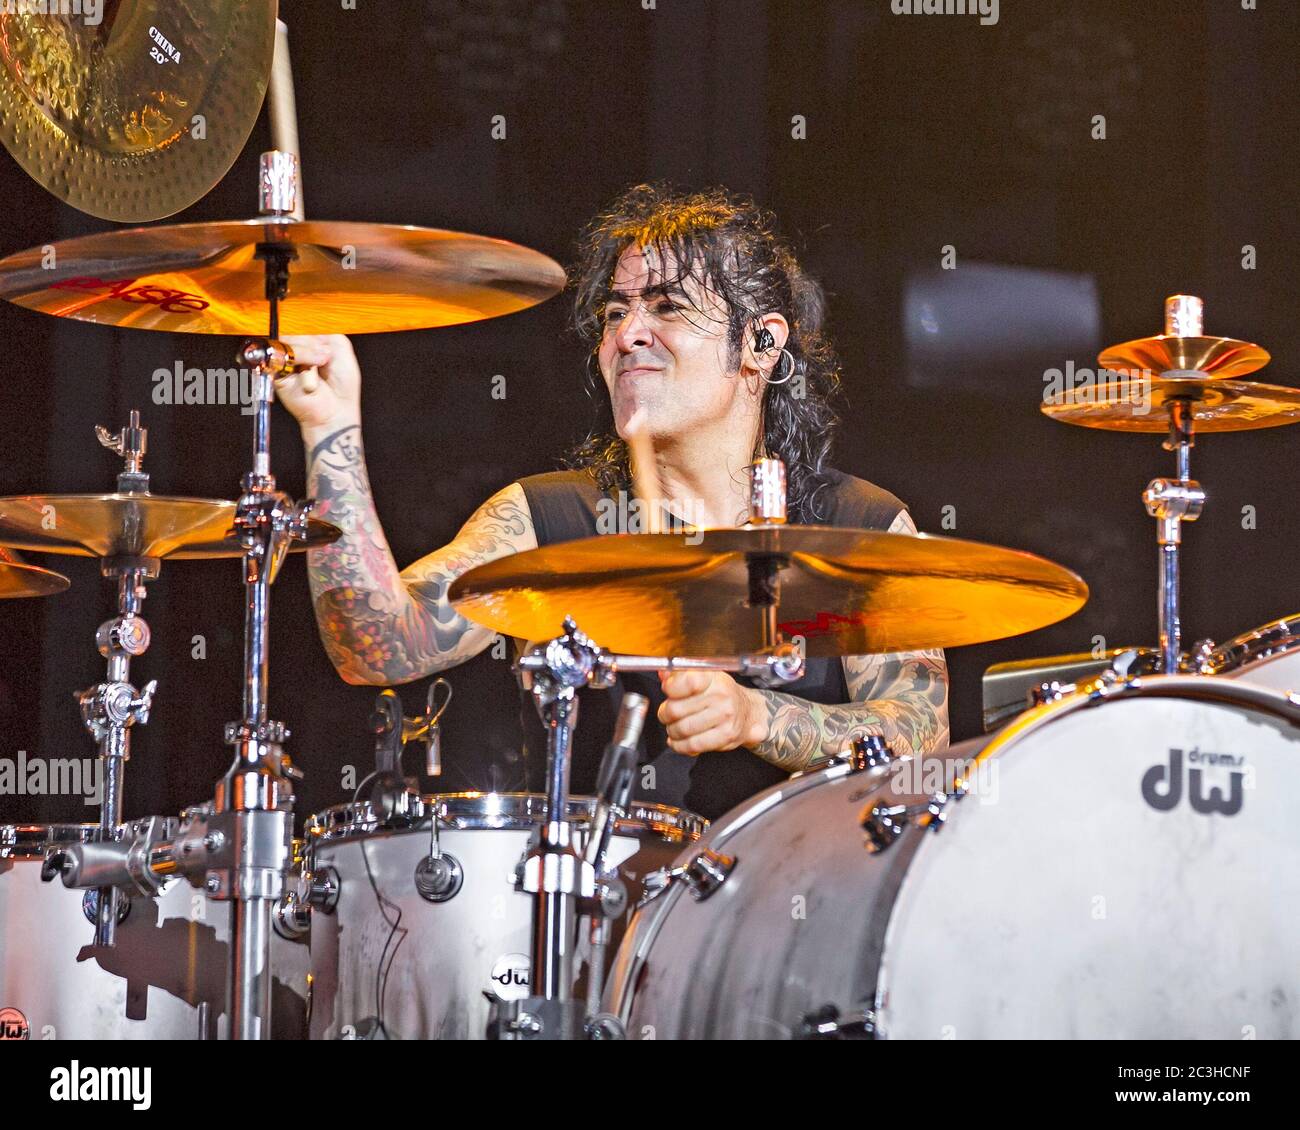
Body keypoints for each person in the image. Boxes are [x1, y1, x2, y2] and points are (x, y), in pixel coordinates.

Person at [276, 184, 949, 820]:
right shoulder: (548, 520)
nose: (628, 335)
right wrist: (331, 428)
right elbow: (377, 647)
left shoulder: (861, 526)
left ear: (761, 343)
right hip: (592, 890)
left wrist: (754, 717)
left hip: (796, 891)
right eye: (617, 312)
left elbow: (923, 736)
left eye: (667, 307)